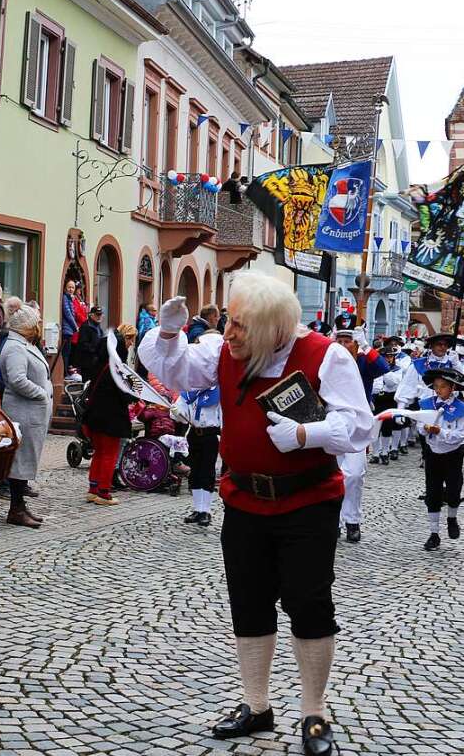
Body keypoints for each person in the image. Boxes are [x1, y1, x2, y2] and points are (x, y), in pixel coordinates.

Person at [138, 272, 372, 756]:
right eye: (229, 321)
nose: (229, 332)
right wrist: (166, 333)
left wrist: (308, 435)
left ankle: (313, 713)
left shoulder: (326, 355)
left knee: (308, 603)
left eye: (240, 325)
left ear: (270, 329)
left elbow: (357, 425)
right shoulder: (225, 350)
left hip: (308, 502)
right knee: (249, 601)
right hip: (244, 500)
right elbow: (178, 371)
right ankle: (257, 704)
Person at [332, 328, 388, 543]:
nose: (345, 345)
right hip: (333, 422)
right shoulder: (329, 362)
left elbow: (383, 367)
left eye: (349, 341)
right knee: (333, 474)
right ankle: (334, 520)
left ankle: (352, 520)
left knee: (355, 474)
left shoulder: (363, 363)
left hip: (358, 425)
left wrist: (366, 345)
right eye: (341, 340)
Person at [0, 305, 51, 528]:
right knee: (21, 461)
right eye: (35, 323)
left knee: (26, 459)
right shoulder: (15, 347)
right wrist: (41, 394)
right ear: (26, 326)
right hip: (24, 411)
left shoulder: (24, 344)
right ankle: (16, 508)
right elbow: (17, 379)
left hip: (31, 411)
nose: (38, 327)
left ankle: (20, 505)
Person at [172, 338, 222, 526]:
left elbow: (222, 414)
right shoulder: (190, 389)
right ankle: (196, 509)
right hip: (194, 433)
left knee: (207, 471)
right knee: (195, 471)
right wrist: (175, 412)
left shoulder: (218, 390)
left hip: (210, 434)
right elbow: (180, 411)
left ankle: (206, 510)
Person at [82, 330, 135, 505]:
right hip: (111, 419)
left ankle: (93, 489)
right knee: (109, 454)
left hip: (94, 417)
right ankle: (104, 492)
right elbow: (126, 394)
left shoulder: (99, 365)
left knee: (99, 453)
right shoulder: (116, 369)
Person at [417, 368, 464, 551]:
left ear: (452, 387)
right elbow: (420, 427)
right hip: (433, 453)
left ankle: (452, 518)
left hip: (453, 453)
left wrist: (440, 431)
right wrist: (425, 428)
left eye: (443, 386)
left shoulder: (461, 408)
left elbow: (460, 435)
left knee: (453, 491)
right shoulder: (427, 404)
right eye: (436, 386)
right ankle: (434, 533)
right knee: (432, 492)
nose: (438, 390)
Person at [370, 345, 404, 465]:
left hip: (389, 399)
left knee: (387, 427)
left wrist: (384, 370)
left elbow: (392, 383)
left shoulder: (397, 369)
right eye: (385, 357)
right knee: (375, 427)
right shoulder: (374, 368)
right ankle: (375, 453)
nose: (388, 359)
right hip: (377, 399)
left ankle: (384, 452)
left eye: (390, 357)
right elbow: (373, 386)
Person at [75, 306, 105, 381]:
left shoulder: (98, 327)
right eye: (97, 315)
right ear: (91, 315)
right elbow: (83, 344)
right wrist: (96, 349)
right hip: (87, 362)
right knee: (87, 383)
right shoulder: (86, 327)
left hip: (96, 361)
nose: (99, 317)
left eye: (100, 315)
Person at [61, 280, 78, 380]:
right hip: (67, 330)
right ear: (65, 288)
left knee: (68, 352)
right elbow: (67, 313)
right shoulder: (65, 298)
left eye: (72, 288)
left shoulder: (70, 299)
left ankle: (67, 372)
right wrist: (75, 326)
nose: (71, 289)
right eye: (69, 287)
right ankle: (65, 373)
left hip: (70, 330)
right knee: (66, 353)